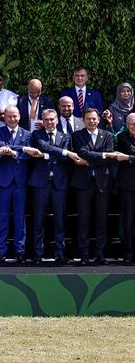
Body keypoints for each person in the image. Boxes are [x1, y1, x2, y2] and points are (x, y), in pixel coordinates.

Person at [27, 109, 80, 264]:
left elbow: (66, 160)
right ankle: (37, 253)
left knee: (60, 220)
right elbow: (44, 147)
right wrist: (64, 152)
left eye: (52, 119)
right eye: (46, 120)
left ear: (57, 120)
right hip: (40, 183)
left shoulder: (66, 136)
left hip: (60, 183)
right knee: (38, 219)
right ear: (42, 122)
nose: (49, 122)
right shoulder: (36, 135)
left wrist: (51, 155)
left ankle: (60, 252)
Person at [69, 108, 115, 264]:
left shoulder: (107, 135)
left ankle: (100, 254)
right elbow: (81, 152)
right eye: (88, 119)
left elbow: (109, 157)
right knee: (83, 219)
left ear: (99, 120)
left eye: (94, 119)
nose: (92, 121)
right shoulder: (76, 136)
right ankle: (84, 255)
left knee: (101, 220)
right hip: (83, 184)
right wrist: (100, 156)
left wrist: (89, 160)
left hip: (102, 183)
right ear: (83, 120)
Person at [0, 105, 32, 264]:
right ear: (4, 118)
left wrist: (14, 152)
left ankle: (20, 251)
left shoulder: (27, 134)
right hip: (3, 181)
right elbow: (1, 147)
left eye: (15, 116)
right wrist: (22, 150)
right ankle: (1, 251)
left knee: (20, 218)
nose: (12, 119)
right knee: (2, 217)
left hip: (20, 181)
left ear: (20, 117)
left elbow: (29, 157)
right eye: (9, 116)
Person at [112, 113, 135, 263]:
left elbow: (128, 156)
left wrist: (128, 158)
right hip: (127, 185)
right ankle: (128, 252)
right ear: (126, 124)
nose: (134, 127)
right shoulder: (121, 137)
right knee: (127, 220)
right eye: (132, 124)